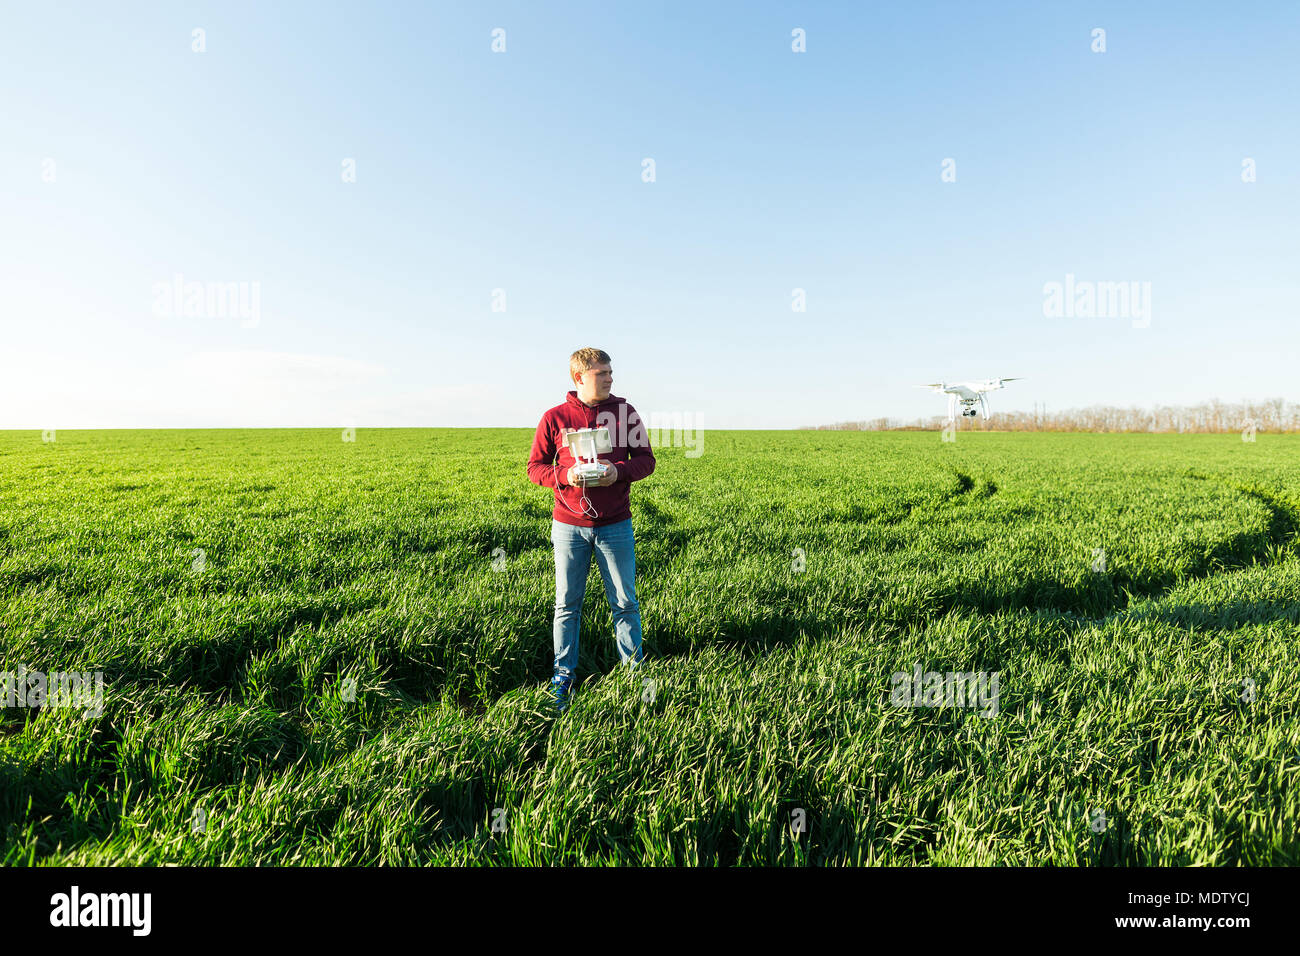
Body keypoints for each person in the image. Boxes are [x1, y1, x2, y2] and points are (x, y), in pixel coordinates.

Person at [526, 348, 656, 714]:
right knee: (567, 604)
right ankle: (562, 677)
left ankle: (633, 673)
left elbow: (647, 460)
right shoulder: (555, 418)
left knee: (625, 602)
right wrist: (564, 475)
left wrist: (619, 471)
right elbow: (535, 467)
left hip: (616, 524)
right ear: (579, 377)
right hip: (569, 526)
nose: (610, 378)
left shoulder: (625, 414)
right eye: (602, 373)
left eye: (611, 372)